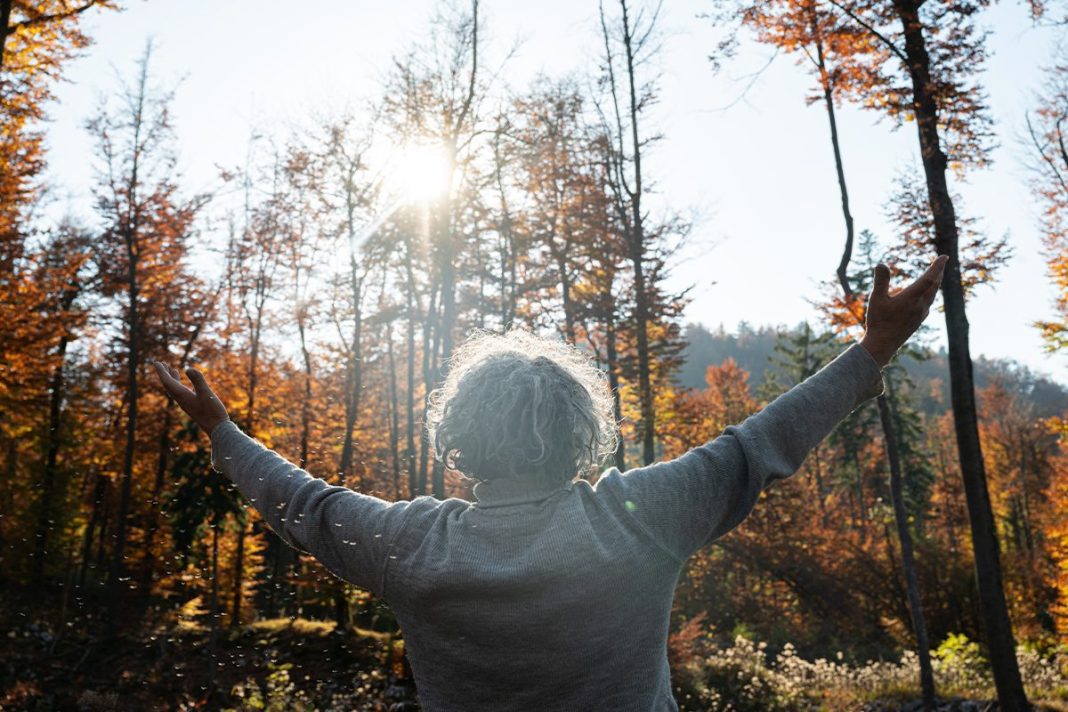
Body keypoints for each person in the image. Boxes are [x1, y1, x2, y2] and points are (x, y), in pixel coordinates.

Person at [154, 255, 949, 711]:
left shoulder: (408, 547)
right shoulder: (642, 520)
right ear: (580, 434)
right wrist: (870, 349)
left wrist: (222, 432)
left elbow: (302, 503)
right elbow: (760, 444)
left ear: (459, 439)